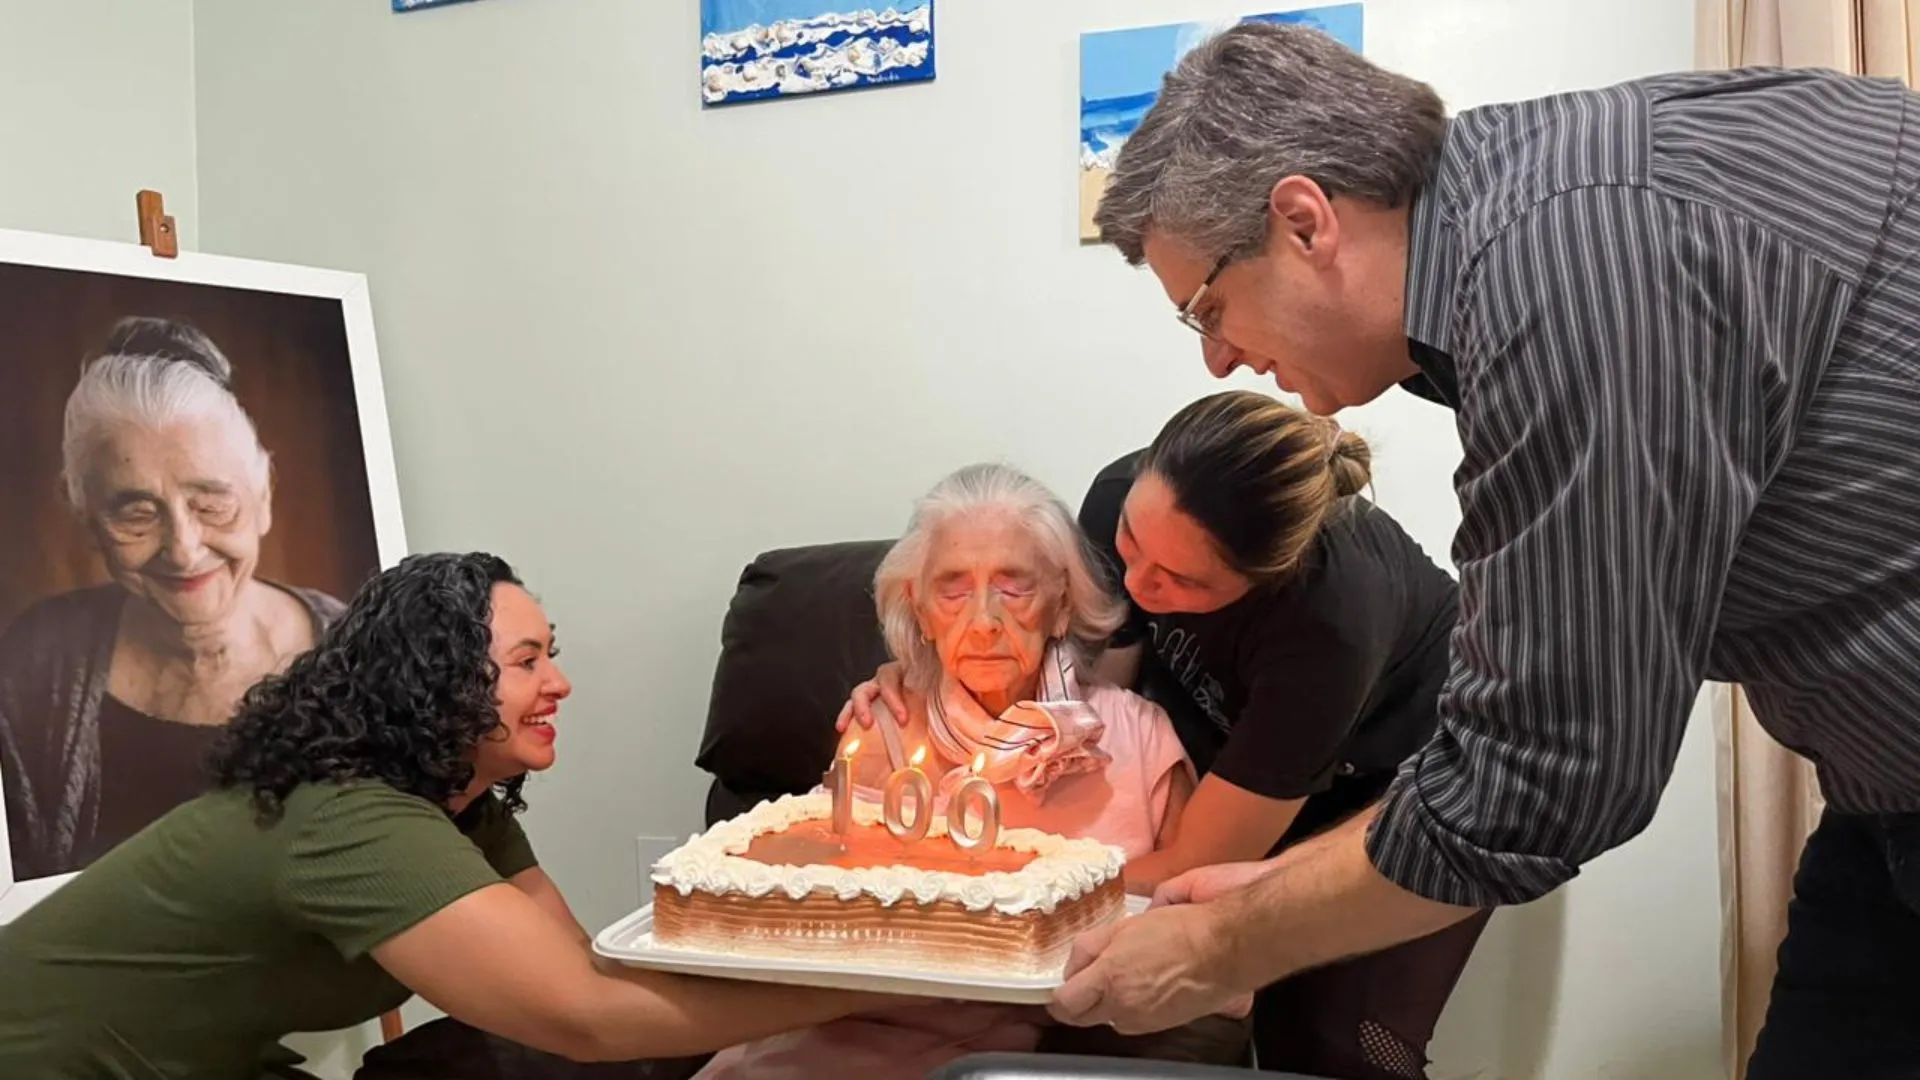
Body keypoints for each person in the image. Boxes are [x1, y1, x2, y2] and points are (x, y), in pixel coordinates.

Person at [1045, 20, 1920, 1080]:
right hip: (1883, 803)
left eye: (1210, 309)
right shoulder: (1533, 218)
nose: (1222, 357)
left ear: (1305, 221)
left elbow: (1549, 774)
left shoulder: (1580, 256)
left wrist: (1223, 943)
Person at [0, 551, 888, 1078]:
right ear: (434, 680)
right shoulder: (350, 821)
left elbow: (573, 973)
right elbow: (583, 1016)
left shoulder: (461, 806)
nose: (559, 683)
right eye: (527, 660)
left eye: (554, 655)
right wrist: (876, 981)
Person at [847, 393, 1482, 1079]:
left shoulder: (1326, 634)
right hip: (1253, 748)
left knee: (1341, 1039)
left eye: (1179, 579)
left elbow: (1192, 862)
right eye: (1130, 546)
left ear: (1258, 583)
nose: (1139, 587)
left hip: (1413, 784)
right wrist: (920, 672)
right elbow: (1098, 689)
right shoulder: (1125, 496)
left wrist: (992, 885)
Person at [699, 462, 1237, 1080]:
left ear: (1061, 602)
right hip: (873, 1024)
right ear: (920, 610)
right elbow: (825, 915)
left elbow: (1195, 929)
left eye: (1014, 587)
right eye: (953, 588)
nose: (984, 620)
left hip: (1053, 1042)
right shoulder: (883, 727)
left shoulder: (1139, 739)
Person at [0, 316, 345, 878]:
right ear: (88, 521)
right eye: (135, 513)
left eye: (212, 503)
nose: (183, 550)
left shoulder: (363, 654)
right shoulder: (33, 663)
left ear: (263, 499)